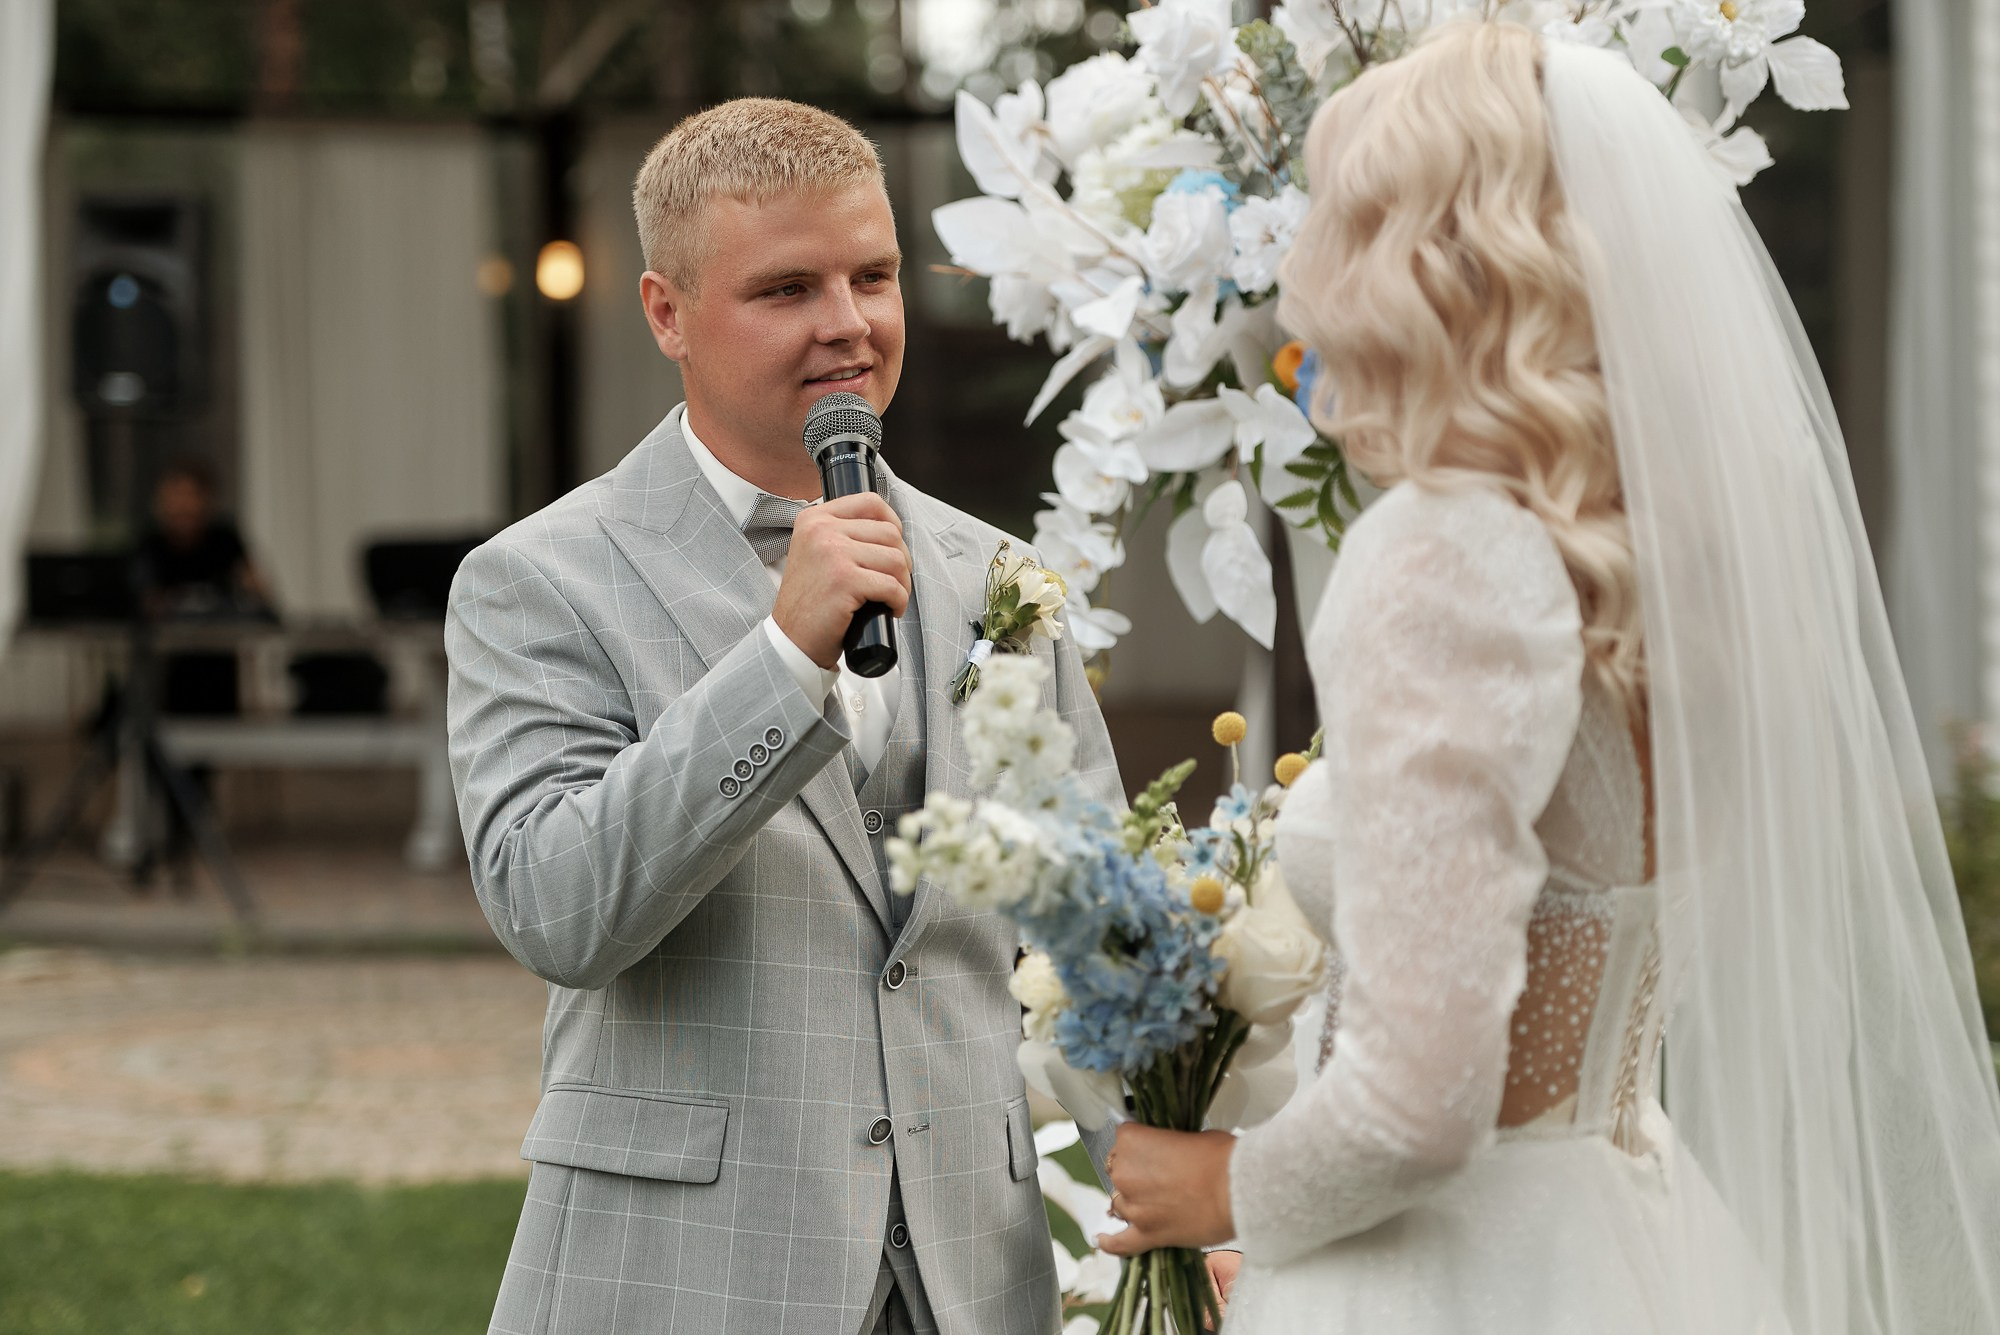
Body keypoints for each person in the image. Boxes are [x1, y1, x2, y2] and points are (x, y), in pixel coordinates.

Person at [1095, 22, 2000, 1333]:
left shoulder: (1443, 552)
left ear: (1426, 260)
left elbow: (1420, 1098)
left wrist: (1224, 1182)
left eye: (1341, 216)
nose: (1304, 266)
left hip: (1450, 1272)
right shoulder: (1677, 563)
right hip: (1634, 1233)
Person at [446, 99, 1122, 1335]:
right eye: (787, 288)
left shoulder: (995, 578)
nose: (848, 325)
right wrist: (780, 658)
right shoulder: (538, 580)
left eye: (872, 276)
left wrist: (1179, 1189)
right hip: (685, 1276)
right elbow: (556, 910)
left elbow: (1091, 931)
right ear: (666, 313)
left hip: (970, 1280)